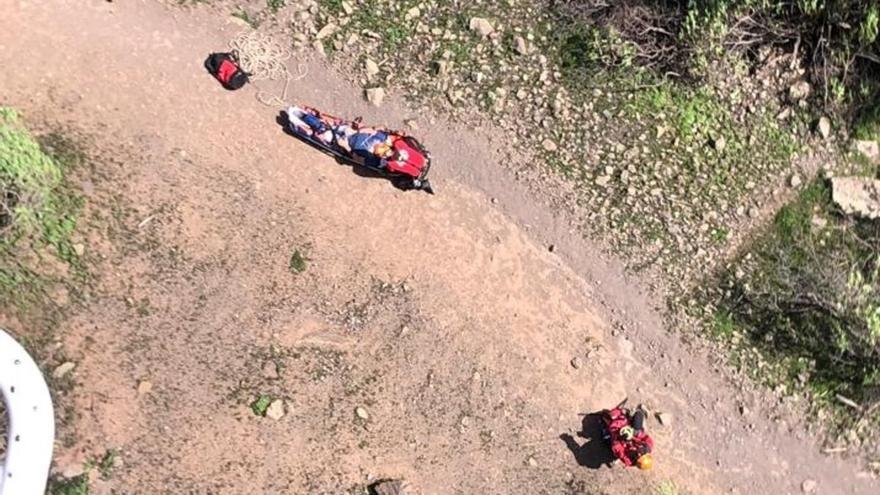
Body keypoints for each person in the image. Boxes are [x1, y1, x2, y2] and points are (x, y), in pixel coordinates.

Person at [604, 404, 654, 470]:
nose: (639, 454)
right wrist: (635, 433)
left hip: (620, 438)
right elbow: (644, 436)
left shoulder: (629, 460)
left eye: (638, 457)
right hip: (631, 432)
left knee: (610, 428)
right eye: (641, 454)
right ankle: (630, 415)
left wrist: (620, 439)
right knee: (638, 417)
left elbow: (618, 449)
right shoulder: (648, 445)